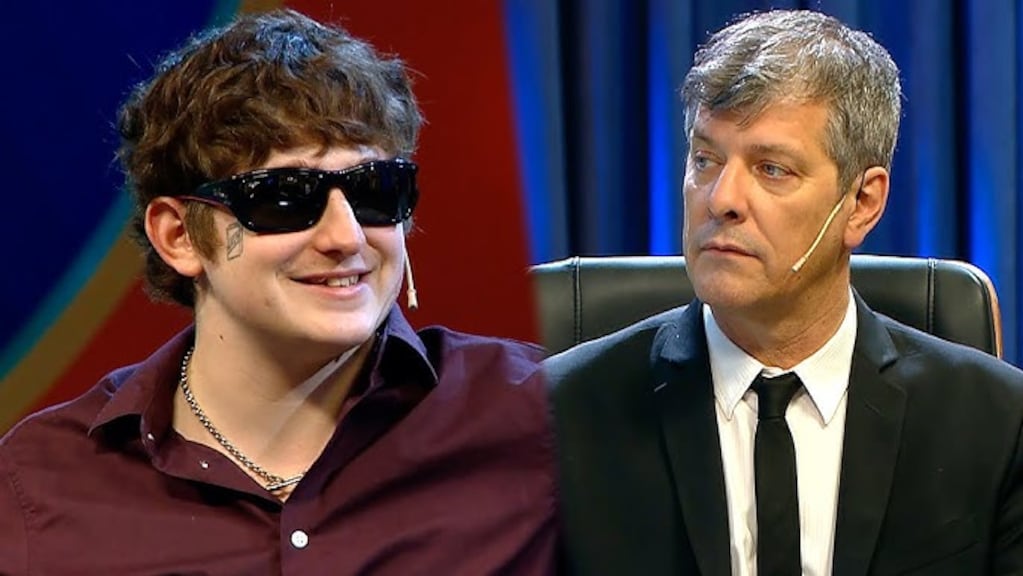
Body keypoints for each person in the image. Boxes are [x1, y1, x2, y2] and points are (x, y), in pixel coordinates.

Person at [0, 9, 556, 574]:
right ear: (178, 236)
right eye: (287, 197)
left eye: (375, 189)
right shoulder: (37, 488)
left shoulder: (545, 420)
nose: (346, 237)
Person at [547, 9, 1023, 576]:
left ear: (863, 203)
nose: (722, 198)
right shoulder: (553, 419)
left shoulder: (996, 424)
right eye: (706, 159)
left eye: (772, 169)